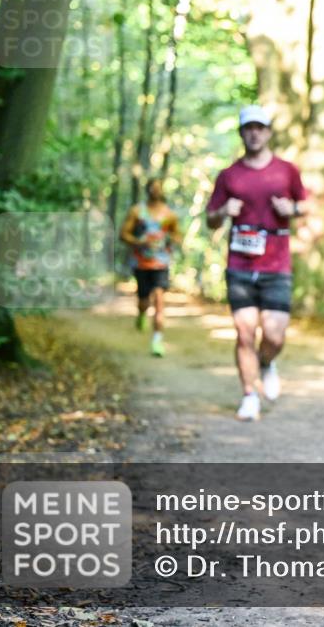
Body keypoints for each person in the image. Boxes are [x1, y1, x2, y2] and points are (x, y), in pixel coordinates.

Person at [206, 105, 306, 422]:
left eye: (260, 128)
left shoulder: (286, 171)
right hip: (239, 264)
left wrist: (291, 209)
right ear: (241, 133)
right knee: (245, 333)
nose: (254, 133)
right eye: (249, 128)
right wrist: (224, 211)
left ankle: (266, 362)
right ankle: (249, 395)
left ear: (268, 132)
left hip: (276, 263)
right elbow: (210, 219)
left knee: (274, 336)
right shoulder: (228, 175)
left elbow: (305, 205)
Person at [120, 178, 182, 357]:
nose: (155, 191)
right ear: (147, 190)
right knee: (144, 301)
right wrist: (138, 242)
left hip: (161, 263)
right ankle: (141, 313)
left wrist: (171, 239)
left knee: (160, 299)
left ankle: (157, 340)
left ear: (162, 191)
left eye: (158, 188)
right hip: (141, 263)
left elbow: (177, 235)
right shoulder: (137, 212)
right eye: (152, 188)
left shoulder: (169, 214)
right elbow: (123, 234)